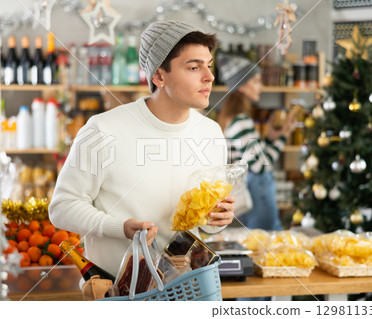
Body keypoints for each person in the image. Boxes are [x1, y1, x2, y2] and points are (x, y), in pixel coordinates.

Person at [49, 20, 235, 277]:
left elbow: (205, 222)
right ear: (159, 76)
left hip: (188, 289)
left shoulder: (211, 132)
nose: (209, 77)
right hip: (115, 294)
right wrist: (119, 227)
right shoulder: (102, 130)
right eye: (194, 67)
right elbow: (62, 207)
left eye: (209, 66)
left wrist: (218, 219)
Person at [216, 53, 296, 231]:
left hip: (251, 190)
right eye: (256, 81)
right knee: (265, 241)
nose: (261, 87)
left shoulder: (233, 118)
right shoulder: (240, 121)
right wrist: (284, 135)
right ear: (243, 86)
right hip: (257, 191)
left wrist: (270, 138)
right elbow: (261, 167)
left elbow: (255, 158)